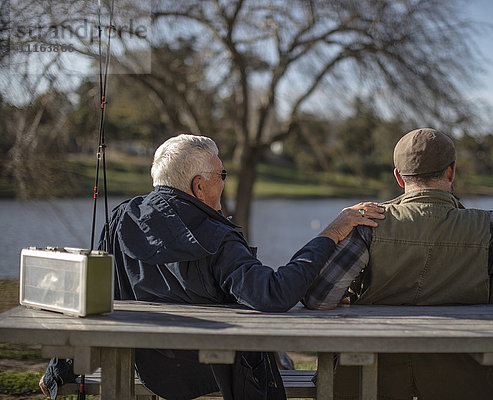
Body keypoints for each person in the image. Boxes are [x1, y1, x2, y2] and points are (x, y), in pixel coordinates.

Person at [40, 133, 384, 400]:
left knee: (278, 356)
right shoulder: (215, 235)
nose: (225, 180)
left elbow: (88, 293)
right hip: (212, 367)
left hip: (149, 365)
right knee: (279, 359)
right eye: (222, 174)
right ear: (199, 185)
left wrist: (58, 370)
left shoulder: (119, 219)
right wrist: (332, 233)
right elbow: (273, 294)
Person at [303, 128, 493, 400]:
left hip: (371, 380)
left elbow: (319, 297)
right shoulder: (488, 227)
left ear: (398, 177)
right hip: (470, 381)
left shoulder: (370, 222)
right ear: (451, 172)